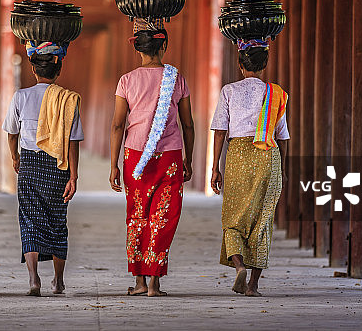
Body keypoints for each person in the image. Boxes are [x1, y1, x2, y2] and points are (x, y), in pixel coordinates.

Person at [109, 19, 194, 297]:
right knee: (163, 216)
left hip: (135, 157)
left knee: (137, 216)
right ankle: (154, 282)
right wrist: (189, 159)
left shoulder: (126, 81)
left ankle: (139, 282)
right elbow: (188, 124)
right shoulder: (176, 78)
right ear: (164, 46)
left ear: (139, 49)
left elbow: (118, 125)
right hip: (169, 156)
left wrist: (114, 164)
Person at [210, 39, 289, 297]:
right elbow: (282, 135)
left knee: (233, 218)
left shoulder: (229, 91)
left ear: (240, 65)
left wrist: (215, 167)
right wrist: (282, 169)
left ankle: (239, 265)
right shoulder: (276, 92)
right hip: (268, 155)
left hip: (239, 155)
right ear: (264, 64)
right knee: (262, 220)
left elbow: (220, 131)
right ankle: (253, 286)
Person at [3, 42, 82, 296]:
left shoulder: (21, 96)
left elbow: (12, 133)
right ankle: (58, 281)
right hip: (57, 165)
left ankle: (34, 278)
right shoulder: (68, 99)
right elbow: (72, 141)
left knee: (29, 220)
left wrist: (15, 158)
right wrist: (73, 174)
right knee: (58, 221)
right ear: (58, 69)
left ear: (33, 70)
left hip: (29, 164)